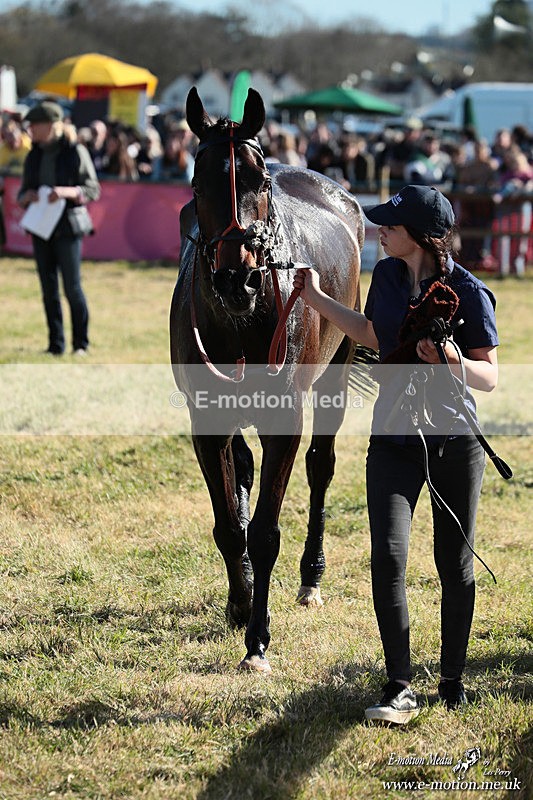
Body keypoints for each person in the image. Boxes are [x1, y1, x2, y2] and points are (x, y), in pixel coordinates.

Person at [292, 185, 499, 725]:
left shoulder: (471, 293)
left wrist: (450, 359)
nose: (379, 230)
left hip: (454, 442)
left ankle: (451, 678)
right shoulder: (384, 277)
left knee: (453, 566)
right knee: (387, 558)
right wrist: (315, 299)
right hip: (392, 437)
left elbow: (490, 376)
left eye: (391, 225)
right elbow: (372, 334)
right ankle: (399, 685)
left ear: (424, 238)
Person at [18, 101, 100, 356]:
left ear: (50, 126)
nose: (29, 129)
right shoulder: (34, 155)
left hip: (67, 227)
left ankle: (80, 344)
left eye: (34, 125)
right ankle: (56, 345)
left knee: (72, 288)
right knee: (48, 289)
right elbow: (22, 192)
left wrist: (65, 192)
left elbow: (92, 189)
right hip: (41, 228)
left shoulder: (75, 152)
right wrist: (27, 196)